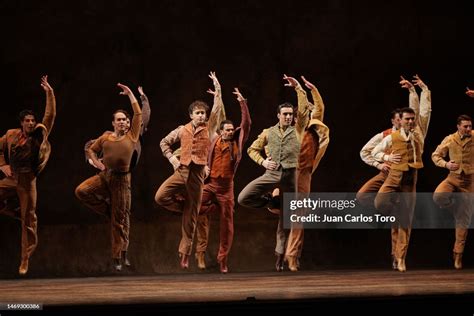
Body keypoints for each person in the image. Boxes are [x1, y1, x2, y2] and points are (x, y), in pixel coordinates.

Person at [237, 74, 307, 272]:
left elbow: (303, 111)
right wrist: (263, 161)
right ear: (278, 115)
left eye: (290, 114)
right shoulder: (269, 132)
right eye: (284, 114)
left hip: (292, 178)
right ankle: (270, 201)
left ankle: (285, 256)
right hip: (274, 175)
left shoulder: (298, 129)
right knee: (244, 197)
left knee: (290, 219)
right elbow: (251, 149)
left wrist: (298, 89)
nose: (288, 117)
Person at [155, 72, 224, 269]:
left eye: (203, 113)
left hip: (197, 175)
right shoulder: (182, 129)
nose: (201, 116)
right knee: (161, 197)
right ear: (191, 115)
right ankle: (184, 209)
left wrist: (217, 89)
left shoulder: (209, 129)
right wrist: (172, 159)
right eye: (198, 113)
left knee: (192, 217)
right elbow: (164, 143)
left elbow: (218, 110)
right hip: (181, 171)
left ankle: (185, 253)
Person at [75, 83, 142, 271]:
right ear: (113, 123)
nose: (122, 122)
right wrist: (97, 163)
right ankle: (109, 211)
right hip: (105, 176)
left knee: (120, 222)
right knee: (81, 191)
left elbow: (137, 114)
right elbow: (91, 149)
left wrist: (130, 94)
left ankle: (118, 256)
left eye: (124, 120)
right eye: (119, 120)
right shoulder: (105, 137)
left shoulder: (132, 136)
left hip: (122, 180)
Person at [372, 75, 431, 272]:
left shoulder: (419, 131)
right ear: (401, 121)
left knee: (405, 221)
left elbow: (424, 111)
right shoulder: (393, 136)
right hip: (393, 176)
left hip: (409, 179)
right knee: (379, 203)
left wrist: (417, 91)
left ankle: (400, 258)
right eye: (407, 119)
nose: (411, 121)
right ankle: (395, 211)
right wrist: (387, 159)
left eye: (412, 119)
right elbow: (375, 152)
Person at [0, 75, 56, 275]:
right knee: (23, 215)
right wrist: (3, 165)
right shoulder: (10, 134)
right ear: (22, 123)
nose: (31, 123)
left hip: (28, 179)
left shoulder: (39, 135)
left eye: (33, 121)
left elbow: (49, 116)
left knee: (29, 220)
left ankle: (24, 259)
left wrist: (49, 93)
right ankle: (18, 213)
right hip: (11, 177)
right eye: (28, 121)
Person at [194, 86, 251, 273]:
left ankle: (223, 259)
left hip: (226, 189)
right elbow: (215, 116)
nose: (229, 132)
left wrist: (242, 102)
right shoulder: (213, 141)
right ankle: (213, 207)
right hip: (210, 185)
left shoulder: (236, 143)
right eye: (226, 130)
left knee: (227, 225)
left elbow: (247, 123)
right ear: (220, 131)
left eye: (231, 130)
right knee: (193, 205)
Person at [282, 75, 330, 272]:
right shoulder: (295, 129)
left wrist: (313, 90)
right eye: (306, 111)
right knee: (282, 212)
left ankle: (292, 255)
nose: (310, 113)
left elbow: (319, 109)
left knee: (298, 214)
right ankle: (284, 253)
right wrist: (300, 90)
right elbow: (303, 111)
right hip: (286, 172)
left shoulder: (313, 130)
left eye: (311, 111)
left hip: (303, 174)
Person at [432, 114, 473, 269]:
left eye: (470, 126)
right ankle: (454, 208)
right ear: (458, 126)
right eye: (465, 126)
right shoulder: (450, 139)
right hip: (452, 178)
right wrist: (446, 164)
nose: (469, 129)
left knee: (463, 221)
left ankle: (458, 255)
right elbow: (435, 155)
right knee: (438, 196)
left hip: (469, 182)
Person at [84, 86, 151, 170]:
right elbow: (88, 146)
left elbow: (145, 114)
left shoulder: (135, 133)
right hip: (110, 167)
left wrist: (143, 97)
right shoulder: (108, 135)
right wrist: (93, 162)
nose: (124, 123)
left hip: (127, 163)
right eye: (120, 120)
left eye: (127, 122)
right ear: (115, 124)